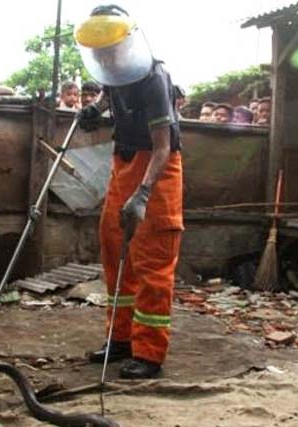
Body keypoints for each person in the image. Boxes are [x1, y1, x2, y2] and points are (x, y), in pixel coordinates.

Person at [75, 4, 182, 379]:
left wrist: (143, 195)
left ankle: (149, 353)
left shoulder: (153, 76)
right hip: (123, 163)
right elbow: (108, 95)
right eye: (99, 52)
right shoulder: (114, 69)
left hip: (156, 168)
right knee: (114, 249)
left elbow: (163, 146)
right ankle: (120, 339)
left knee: (151, 260)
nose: (105, 57)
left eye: (109, 49)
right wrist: (93, 109)